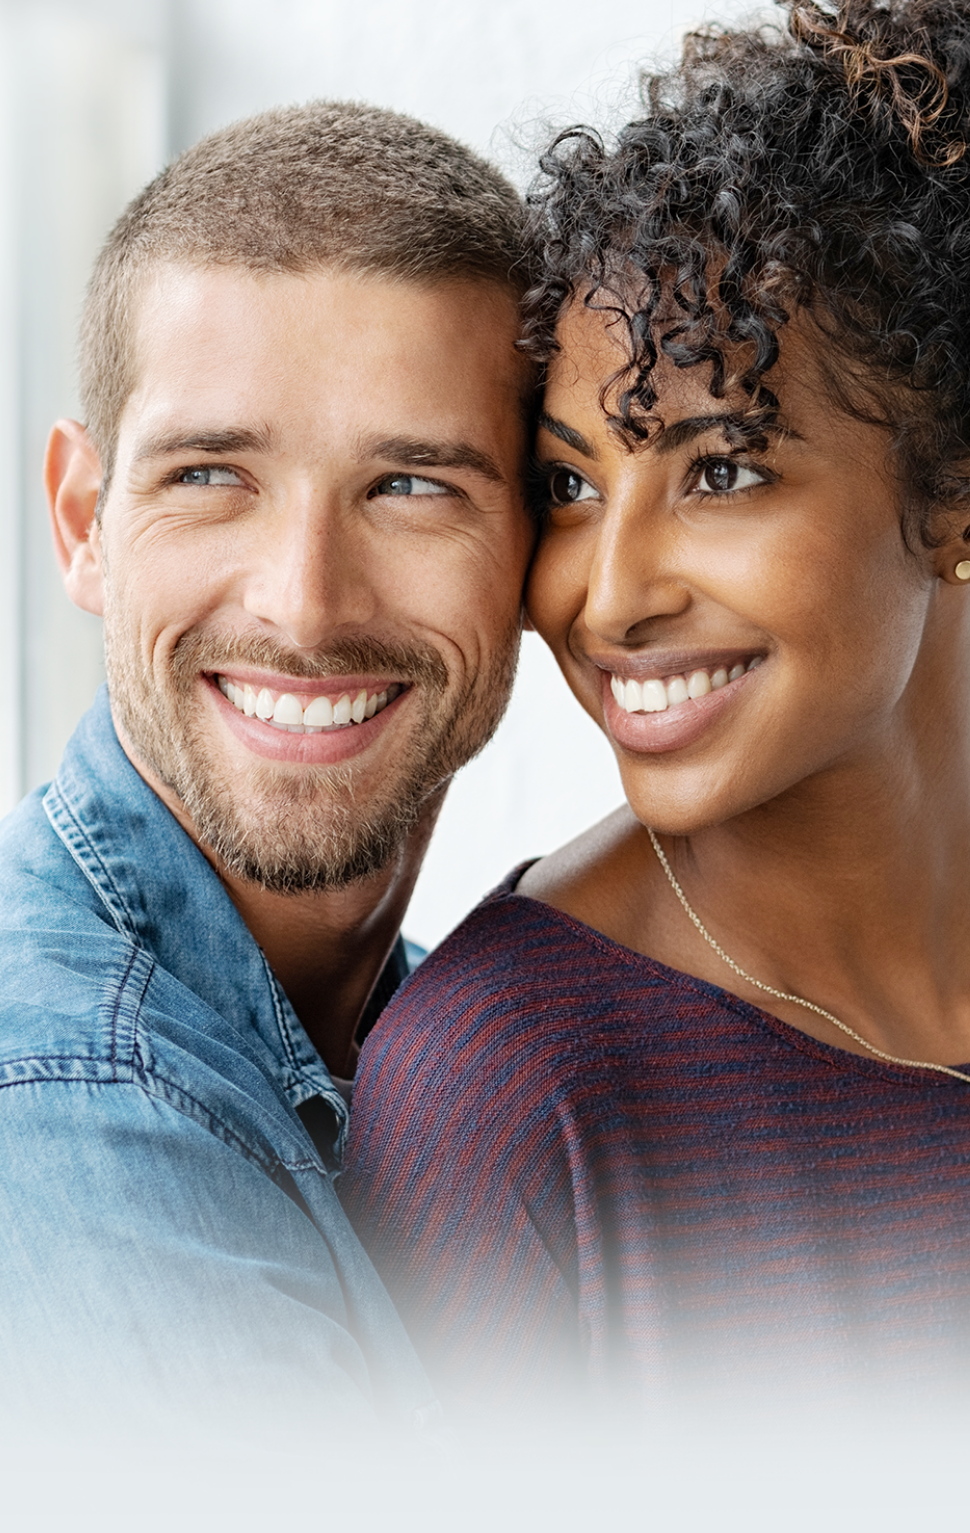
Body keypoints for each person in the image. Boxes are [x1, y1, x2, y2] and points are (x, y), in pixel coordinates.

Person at [0, 101, 535, 1456]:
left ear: (539, 545)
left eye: (410, 487)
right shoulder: (54, 1126)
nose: (306, 605)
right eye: (212, 475)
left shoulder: (388, 1026)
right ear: (84, 522)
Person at [344, 0, 970, 1403]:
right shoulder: (509, 1093)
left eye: (722, 469)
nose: (608, 595)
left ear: (950, 493)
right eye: (570, 485)